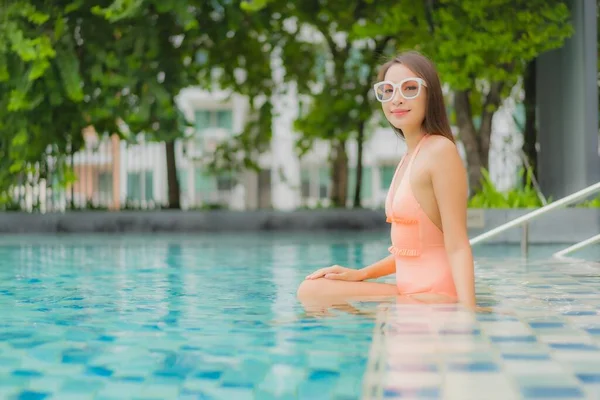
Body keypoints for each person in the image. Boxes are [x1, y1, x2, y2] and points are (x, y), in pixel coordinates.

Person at [297, 50, 476, 311]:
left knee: (315, 293)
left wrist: (468, 313)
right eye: (388, 91)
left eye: (410, 88)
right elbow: (411, 250)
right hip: (409, 293)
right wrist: (360, 274)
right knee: (313, 289)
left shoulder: (440, 151)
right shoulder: (410, 155)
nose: (397, 99)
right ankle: (387, 315)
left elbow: (457, 243)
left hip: (435, 294)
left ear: (431, 94)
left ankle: (390, 314)